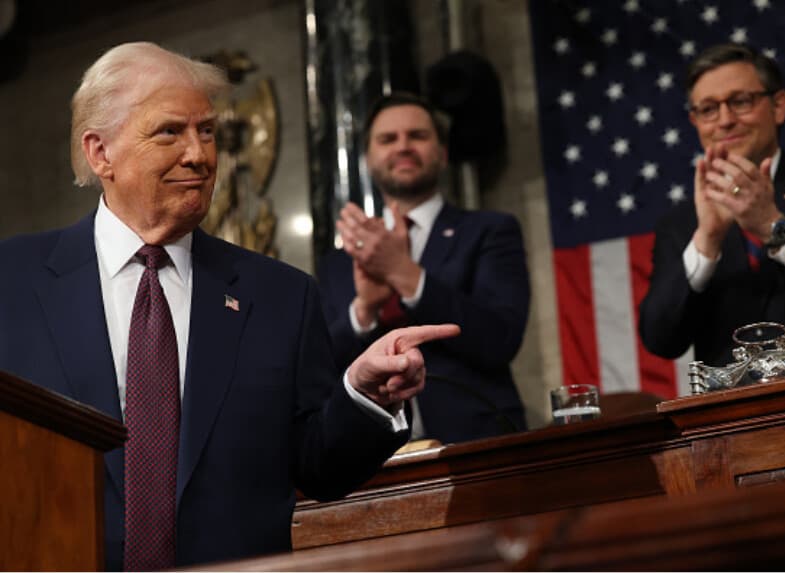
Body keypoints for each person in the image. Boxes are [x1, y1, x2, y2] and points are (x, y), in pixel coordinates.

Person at [0, 42, 459, 570]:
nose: (199, 154)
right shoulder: (14, 282)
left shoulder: (280, 295)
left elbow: (319, 468)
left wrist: (364, 395)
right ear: (100, 152)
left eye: (208, 131)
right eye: (170, 131)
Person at [316, 92, 529, 444]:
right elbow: (320, 370)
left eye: (417, 136)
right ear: (369, 160)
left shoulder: (490, 231)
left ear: (442, 154)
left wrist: (405, 274)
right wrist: (364, 310)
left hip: (479, 444)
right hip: (369, 459)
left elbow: (500, 340)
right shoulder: (338, 263)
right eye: (388, 139)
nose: (403, 146)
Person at [639, 43, 785, 368]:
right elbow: (660, 339)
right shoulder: (682, 224)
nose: (725, 120)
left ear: (779, 106)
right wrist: (707, 241)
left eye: (740, 102)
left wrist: (773, 227)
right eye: (708, 109)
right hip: (733, 415)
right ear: (695, 121)